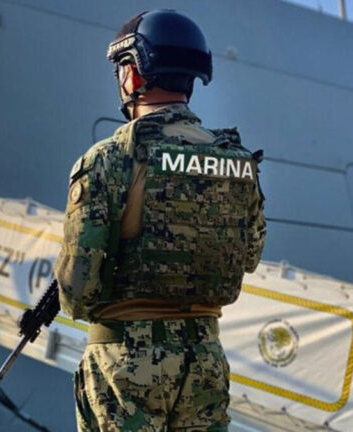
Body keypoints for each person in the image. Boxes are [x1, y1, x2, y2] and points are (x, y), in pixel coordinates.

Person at [55, 9, 266, 432]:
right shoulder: (238, 162)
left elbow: (77, 288)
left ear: (133, 73)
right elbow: (250, 257)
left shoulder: (109, 160)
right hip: (205, 361)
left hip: (126, 364)